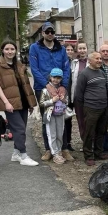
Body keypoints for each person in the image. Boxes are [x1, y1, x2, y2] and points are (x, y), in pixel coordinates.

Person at [0, 39, 39, 167]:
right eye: (7, 49)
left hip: (23, 101)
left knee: (21, 129)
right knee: (19, 130)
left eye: (12, 49)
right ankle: (23, 155)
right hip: (10, 103)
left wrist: (30, 103)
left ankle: (15, 153)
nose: (10, 51)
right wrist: (6, 103)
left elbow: (26, 85)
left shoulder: (19, 65)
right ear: (2, 50)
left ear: (15, 51)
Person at [29, 22, 71, 162]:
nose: (50, 34)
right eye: (47, 31)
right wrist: (47, 85)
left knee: (62, 118)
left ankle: (64, 148)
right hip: (43, 88)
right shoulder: (35, 48)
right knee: (47, 119)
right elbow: (34, 69)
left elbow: (66, 68)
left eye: (52, 31)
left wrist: (63, 86)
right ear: (42, 32)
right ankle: (49, 149)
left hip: (60, 88)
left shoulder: (61, 49)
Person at [75, 52, 108, 166]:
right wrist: (82, 110)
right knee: (89, 133)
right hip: (91, 108)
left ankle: (98, 153)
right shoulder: (84, 74)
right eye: (97, 59)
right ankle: (88, 156)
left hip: (103, 107)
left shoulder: (101, 72)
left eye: (100, 58)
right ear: (90, 61)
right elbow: (78, 94)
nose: (100, 60)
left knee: (101, 131)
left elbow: (104, 89)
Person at [39, 68, 69, 165]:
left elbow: (67, 101)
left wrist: (63, 100)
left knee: (60, 133)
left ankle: (59, 151)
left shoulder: (63, 90)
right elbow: (41, 103)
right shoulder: (45, 90)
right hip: (50, 115)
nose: (56, 80)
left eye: (58, 78)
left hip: (60, 114)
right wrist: (52, 101)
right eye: (54, 77)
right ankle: (55, 153)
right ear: (50, 77)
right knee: (51, 134)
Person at [70, 41, 89, 144]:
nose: (82, 50)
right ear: (77, 50)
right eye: (80, 48)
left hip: (90, 97)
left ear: (87, 49)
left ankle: (92, 143)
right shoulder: (73, 63)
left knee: (90, 121)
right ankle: (85, 142)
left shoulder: (91, 61)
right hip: (78, 97)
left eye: (84, 48)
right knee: (81, 121)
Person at [62, 44, 76, 152]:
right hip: (63, 95)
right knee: (62, 120)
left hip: (72, 96)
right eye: (67, 49)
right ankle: (62, 143)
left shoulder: (75, 63)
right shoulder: (62, 62)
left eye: (71, 50)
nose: (69, 51)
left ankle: (68, 142)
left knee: (69, 120)